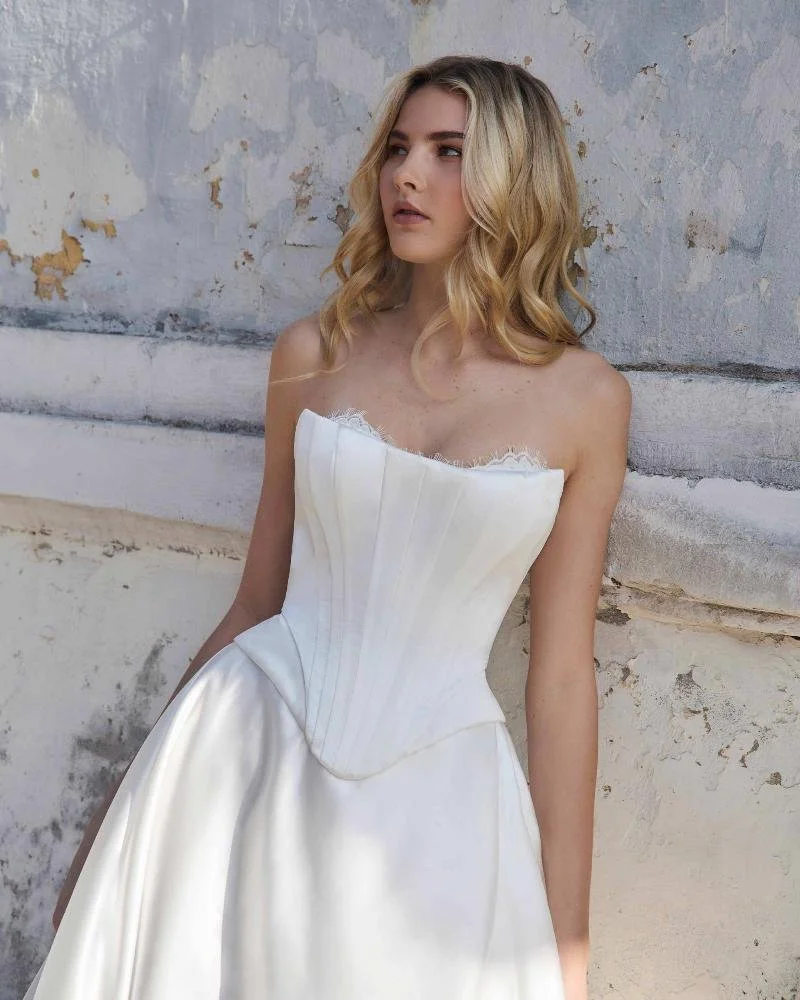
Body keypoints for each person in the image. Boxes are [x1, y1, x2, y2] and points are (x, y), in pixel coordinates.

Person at [23, 54, 630, 1000]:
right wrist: (120, 818)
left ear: (515, 182)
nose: (407, 177)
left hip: (439, 807)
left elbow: (559, 683)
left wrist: (567, 957)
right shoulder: (315, 352)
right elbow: (257, 600)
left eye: (448, 152)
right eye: (397, 149)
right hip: (246, 751)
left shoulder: (586, 400)